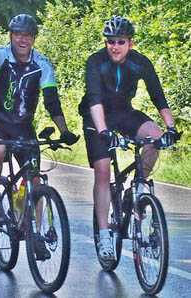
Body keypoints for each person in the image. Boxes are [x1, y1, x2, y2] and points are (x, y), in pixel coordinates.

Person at [0, 14, 78, 259]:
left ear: (33, 38)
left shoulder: (42, 64)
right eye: (18, 34)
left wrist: (64, 131)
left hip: (23, 127)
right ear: (11, 36)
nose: (22, 39)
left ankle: (32, 231)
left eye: (27, 35)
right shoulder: (2, 56)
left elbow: (52, 101)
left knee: (34, 182)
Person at [78, 15, 180, 261]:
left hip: (124, 112)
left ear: (130, 43)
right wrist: (104, 132)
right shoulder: (95, 61)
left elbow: (158, 97)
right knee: (103, 171)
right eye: (110, 41)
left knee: (155, 137)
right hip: (96, 117)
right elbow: (94, 99)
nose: (114, 46)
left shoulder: (140, 62)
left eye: (120, 41)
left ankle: (138, 187)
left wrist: (170, 128)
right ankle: (104, 236)